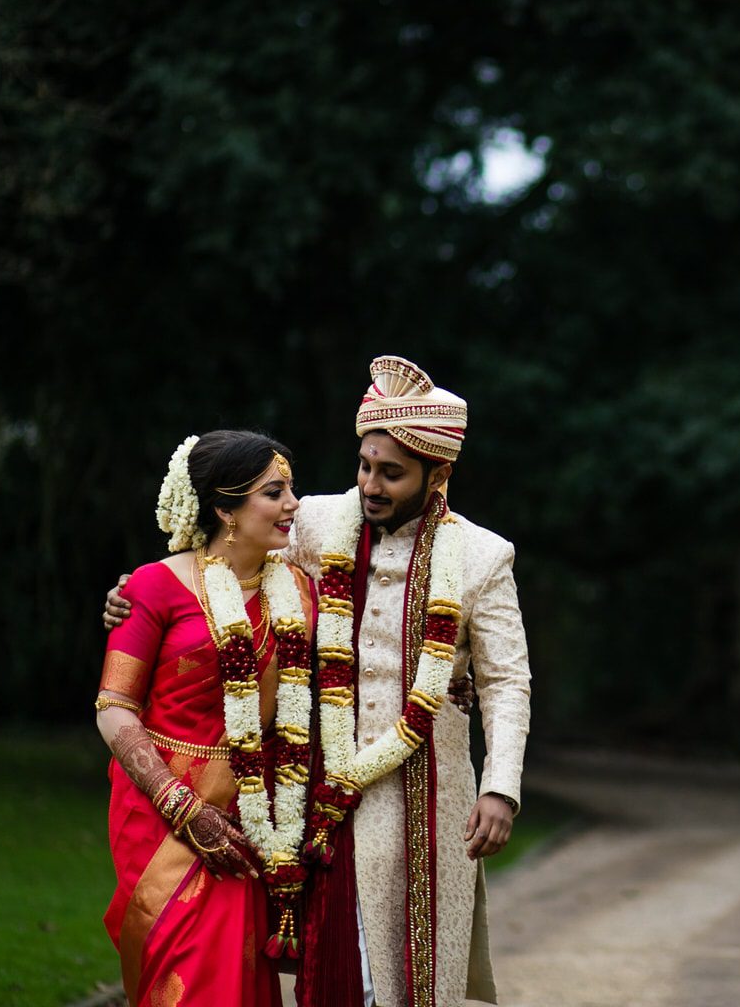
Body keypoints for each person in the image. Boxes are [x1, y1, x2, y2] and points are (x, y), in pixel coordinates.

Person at [106, 357, 532, 1007]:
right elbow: (219, 545)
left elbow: (507, 681)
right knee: (330, 976)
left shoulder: (482, 557)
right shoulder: (319, 521)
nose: (371, 485)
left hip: (426, 793)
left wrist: (500, 787)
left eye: (391, 473)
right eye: (365, 465)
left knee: (418, 977)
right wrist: (127, 600)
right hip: (318, 792)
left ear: (437, 473)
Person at [95, 429, 306, 1006]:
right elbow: (114, 709)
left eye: (292, 490)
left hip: (249, 816)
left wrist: (456, 671)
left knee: (235, 983)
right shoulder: (154, 586)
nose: (293, 505)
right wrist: (183, 808)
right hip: (160, 811)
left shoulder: (303, 596)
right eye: (274, 492)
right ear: (224, 508)